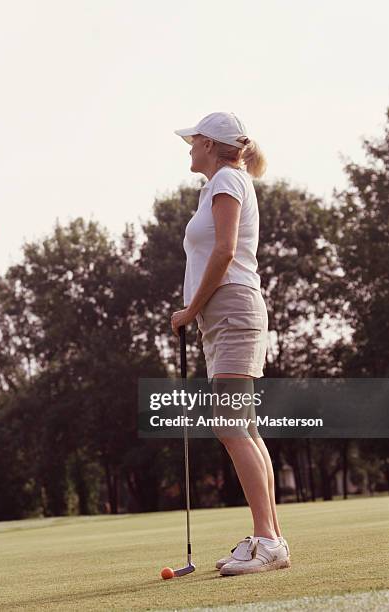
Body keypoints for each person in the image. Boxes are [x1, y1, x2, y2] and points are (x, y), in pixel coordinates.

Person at [170, 112, 291, 576]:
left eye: (193, 140)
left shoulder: (227, 181)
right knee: (243, 426)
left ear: (211, 145)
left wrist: (189, 309)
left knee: (229, 424)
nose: (188, 148)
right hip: (223, 314)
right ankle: (270, 538)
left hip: (232, 307)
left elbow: (223, 252)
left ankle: (267, 539)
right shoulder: (217, 184)